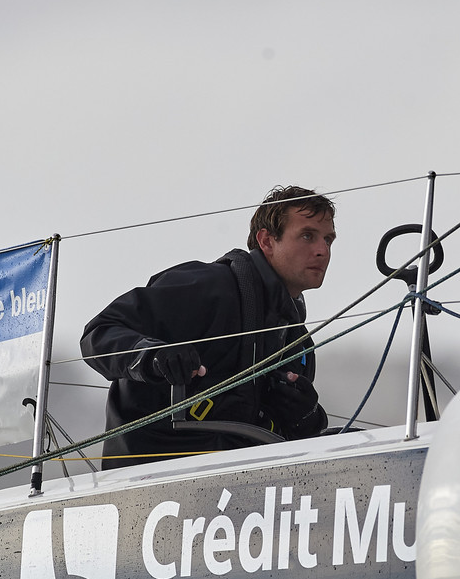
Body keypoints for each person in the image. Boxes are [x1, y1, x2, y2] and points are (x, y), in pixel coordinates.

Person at [80, 185, 334, 468]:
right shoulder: (206, 287)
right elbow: (98, 333)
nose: (322, 251)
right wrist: (152, 356)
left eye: (328, 240)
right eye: (308, 236)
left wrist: (307, 420)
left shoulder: (298, 344)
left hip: (236, 489)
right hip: (147, 480)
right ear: (267, 241)